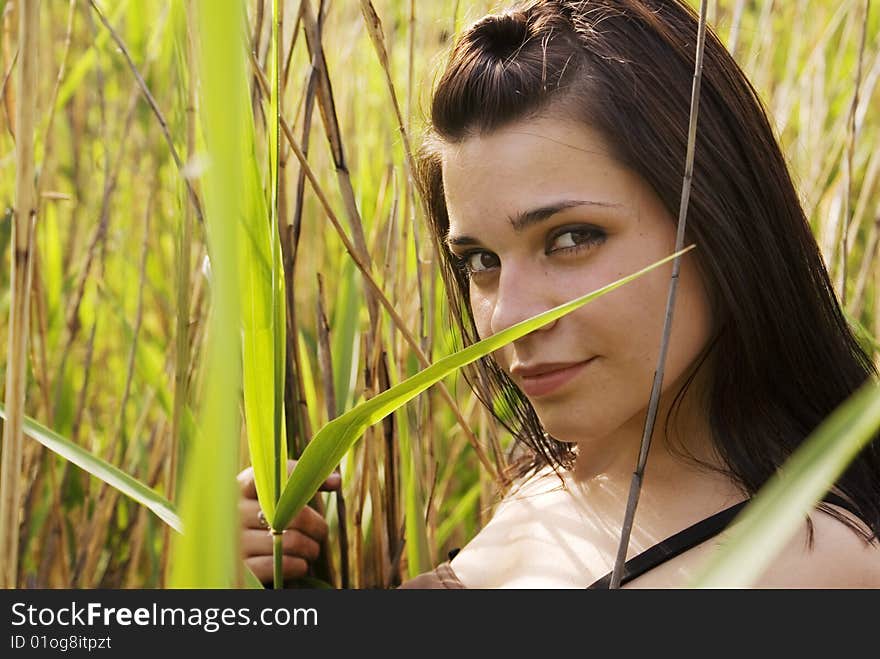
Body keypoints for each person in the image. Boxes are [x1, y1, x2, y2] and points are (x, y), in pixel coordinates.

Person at [238, 0, 880, 588]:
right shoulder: (544, 477)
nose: (509, 318)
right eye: (480, 260)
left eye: (572, 238)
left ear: (719, 220)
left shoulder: (805, 563)